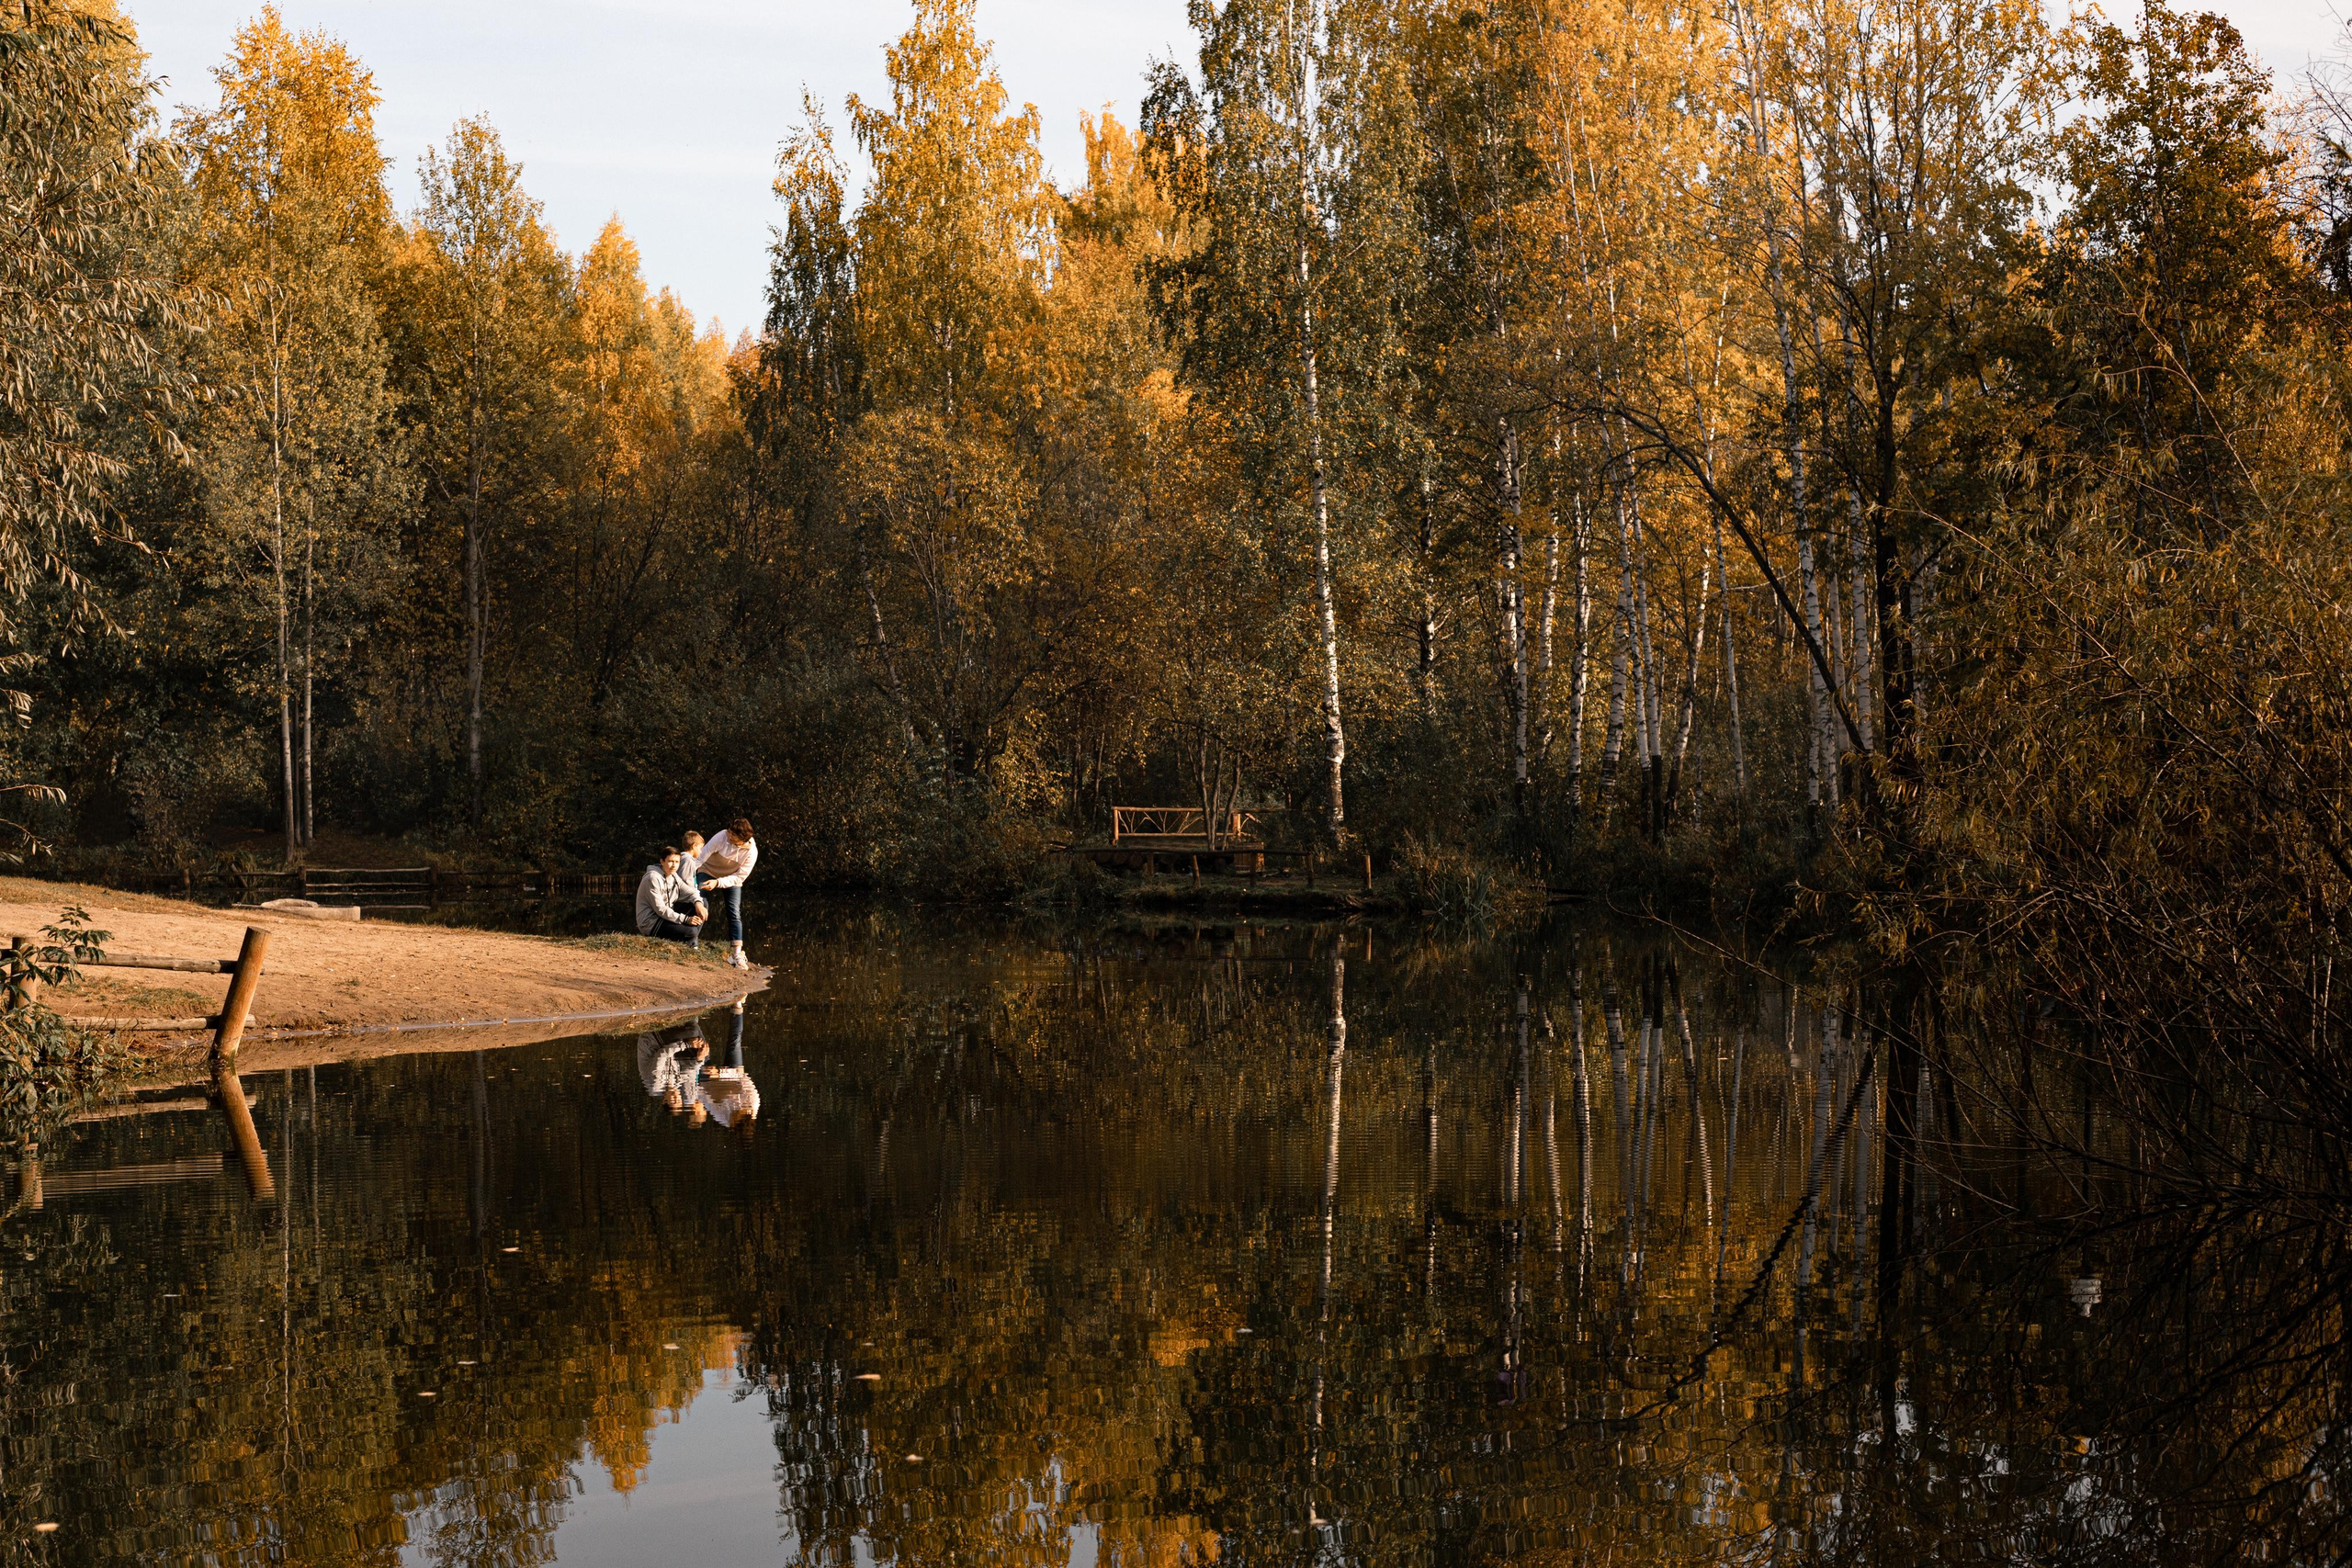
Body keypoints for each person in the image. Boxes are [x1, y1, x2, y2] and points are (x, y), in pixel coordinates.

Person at [691, 818, 758, 969]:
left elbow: (740, 877)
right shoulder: (721, 837)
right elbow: (700, 858)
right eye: (729, 832)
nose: (729, 836)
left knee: (734, 912)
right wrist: (687, 876)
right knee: (698, 902)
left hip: (731, 878)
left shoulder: (752, 852)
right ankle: (691, 941)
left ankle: (736, 955)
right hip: (708, 870)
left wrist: (718, 883)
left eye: (733, 835)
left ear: (743, 838)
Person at [635, 848, 705, 947]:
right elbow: (660, 909)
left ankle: (690, 939)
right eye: (671, 861)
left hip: (666, 916)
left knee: (704, 903)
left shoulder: (673, 876)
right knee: (691, 931)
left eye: (677, 862)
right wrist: (686, 919)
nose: (674, 865)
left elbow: (690, 892)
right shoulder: (652, 878)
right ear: (662, 861)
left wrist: (698, 903)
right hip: (651, 922)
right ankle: (690, 940)